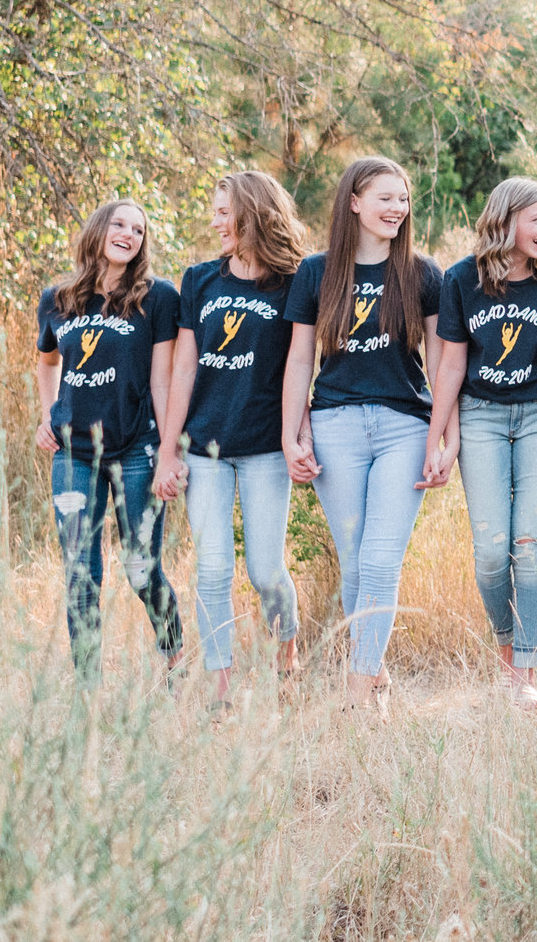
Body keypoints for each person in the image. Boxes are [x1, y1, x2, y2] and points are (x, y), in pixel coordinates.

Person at [282, 156, 443, 709]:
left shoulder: (422, 274)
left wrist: (445, 438)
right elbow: (299, 360)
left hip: (404, 428)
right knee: (354, 562)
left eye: (403, 199)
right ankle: (375, 677)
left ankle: (356, 691)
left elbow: (442, 364)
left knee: (378, 561)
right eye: (385, 198)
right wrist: (292, 434)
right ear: (354, 202)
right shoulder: (316, 273)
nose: (398, 208)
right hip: (335, 427)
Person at [423, 177, 537, 709]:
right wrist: (439, 440)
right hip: (481, 416)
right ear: (505, 220)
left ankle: (524, 674)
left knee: (528, 547)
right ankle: (507, 647)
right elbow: (450, 366)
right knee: (491, 552)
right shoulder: (461, 279)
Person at [154, 172, 305, 706]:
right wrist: (168, 450)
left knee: (265, 570)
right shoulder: (199, 280)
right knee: (213, 567)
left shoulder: (293, 281)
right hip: (207, 449)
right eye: (215, 211)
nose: (216, 221)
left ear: (253, 214)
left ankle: (287, 648)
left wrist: (299, 434)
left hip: (265, 447)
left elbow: (300, 366)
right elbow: (184, 367)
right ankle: (221, 684)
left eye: (225, 212)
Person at [38, 198, 183, 681]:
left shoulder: (158, 298)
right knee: (80, 572)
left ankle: (175, 660)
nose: (128, 235)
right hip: (73, 453)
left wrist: (168, 451)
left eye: (138, 230)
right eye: (119, 224)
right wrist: (47, 414)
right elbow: (48, 361)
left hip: (136, 449)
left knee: (141, 568)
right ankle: (87, 689)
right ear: (98, 229)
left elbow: (162, 379)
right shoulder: (57, 299)